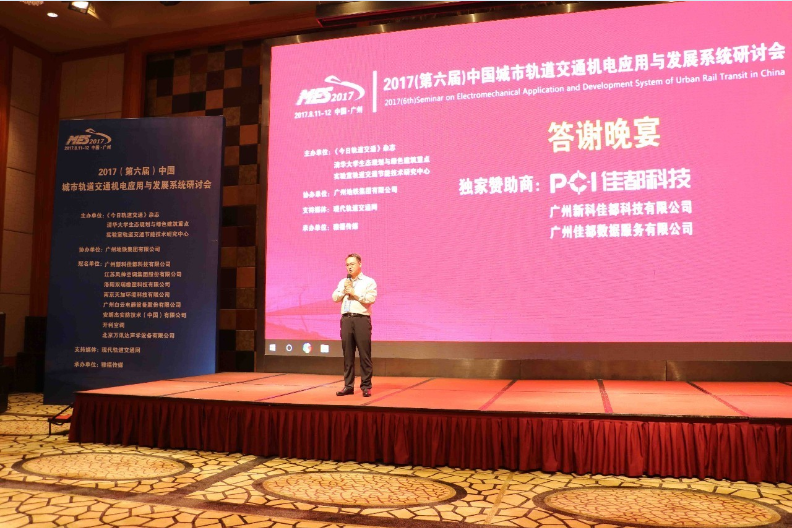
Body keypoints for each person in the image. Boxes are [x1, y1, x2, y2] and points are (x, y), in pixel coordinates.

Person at [331, 253, 377, 397]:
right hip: (346, 319)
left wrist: (354, 292)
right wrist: (344, 290)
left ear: (360, 264)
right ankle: (348, 386)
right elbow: (334, 298)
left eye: (352, 264)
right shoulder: (343, 282)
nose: (349, 267)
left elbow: (370, 299)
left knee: (364, 354)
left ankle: (366, 386)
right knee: (348, 354)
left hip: (361, 319)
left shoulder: (368, 281)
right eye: (347, 265)